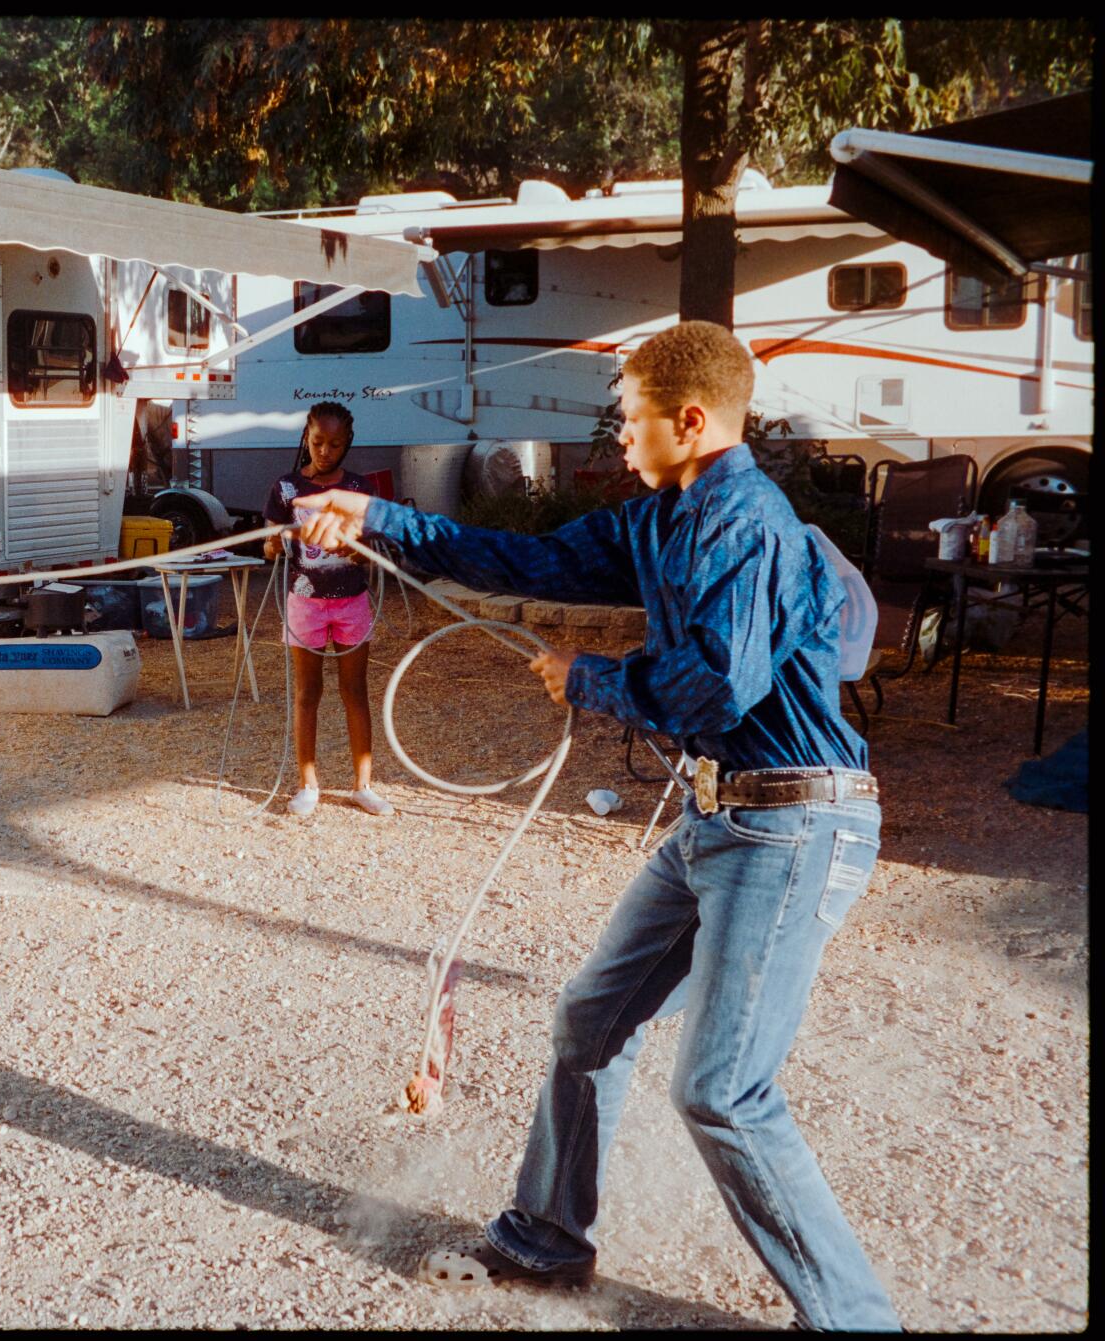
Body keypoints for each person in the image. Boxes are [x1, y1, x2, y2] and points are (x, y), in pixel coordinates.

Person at [293, 322, 898, 1331]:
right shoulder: (660, 519)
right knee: (591, 1020)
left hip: (796, 823)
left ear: (689, 421)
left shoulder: (744, 519)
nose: (619, 435)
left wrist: (592, 679)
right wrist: (372, 517)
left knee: (721, 1091)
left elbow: (716, 683)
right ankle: (544, 1234)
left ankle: (854, 1320)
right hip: (721, 816)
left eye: (629, 418)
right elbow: (517, 557)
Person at [262, 401, 393, 819]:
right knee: (307, 693)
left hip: (351, 599)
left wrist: (355, 552)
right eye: (318, 442)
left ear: (347, 444)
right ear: (306, 437)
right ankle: (307, 785)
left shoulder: (357, 488)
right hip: (305, 601)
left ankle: (364, 785)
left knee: (355, 691)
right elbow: (269, 545)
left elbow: (369, 551)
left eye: (335, 445)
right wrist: (275, 543)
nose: (325, 452)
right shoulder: (286, 488)